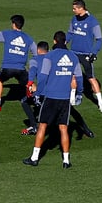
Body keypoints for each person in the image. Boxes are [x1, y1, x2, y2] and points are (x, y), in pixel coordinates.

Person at [24, 33, 84, 169]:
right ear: (66, 42)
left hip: (51, 97)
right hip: (65, 98)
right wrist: (79, 92)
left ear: (54, 41)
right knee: (64, 129)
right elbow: (79, 78)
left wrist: (38, 93)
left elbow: (43, 76)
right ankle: (66, 161)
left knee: (42, 126)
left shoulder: (49, 56)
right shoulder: (73, 57)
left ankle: (34, 158)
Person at [0, 15, 34, 112]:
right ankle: (37, 100)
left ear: (14, 24)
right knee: (30, 83)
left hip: (7, 67)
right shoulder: (28, 38)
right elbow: (36, 52)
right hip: (21, 68)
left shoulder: (7, 33)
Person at [67, 0, 102, 113]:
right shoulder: (74, 19)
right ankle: (73, 98)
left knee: (90, 77)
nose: (73, 10)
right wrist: (63, 42)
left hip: (86, 54)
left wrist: (94, 53)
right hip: (74, 52)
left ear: (81, 8)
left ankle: (100, 103)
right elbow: (70, 33)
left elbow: (99, 39)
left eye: (74, 8)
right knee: (73, 76)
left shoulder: (93, 21)